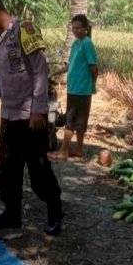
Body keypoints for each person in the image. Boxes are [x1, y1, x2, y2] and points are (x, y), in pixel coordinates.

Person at [0, 0, 64, 236]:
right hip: (9, 117)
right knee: (7, 173)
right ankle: (12, 215)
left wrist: (38, 111)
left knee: (40, 173)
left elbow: (40, 71)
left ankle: (55, 210)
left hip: (31, 117)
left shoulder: (26, 30)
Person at [48, 14, 99, 161]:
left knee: (70, 120)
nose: (76, 31)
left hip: (81, 90)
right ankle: (78, 150)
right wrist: (55, 72)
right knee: (80, 121)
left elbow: (94, 67)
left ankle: (63, 152)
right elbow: (71, 65)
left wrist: (92, 84)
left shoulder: (87, 43)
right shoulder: (76, 44)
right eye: (74, 28)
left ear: (85, 28)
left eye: (79, 28)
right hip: (74, 88)